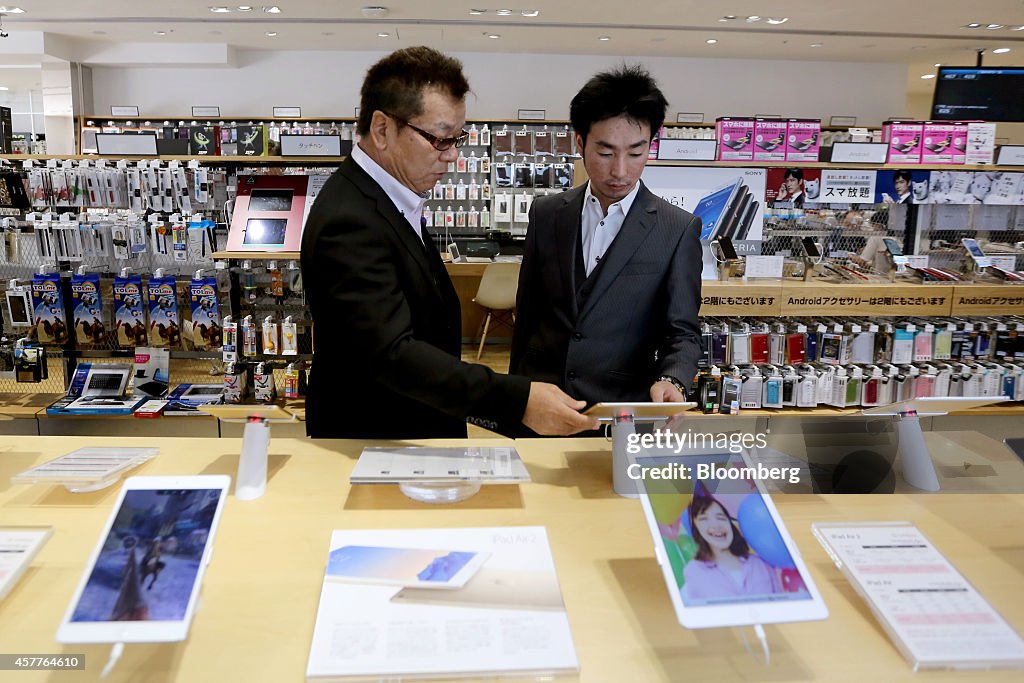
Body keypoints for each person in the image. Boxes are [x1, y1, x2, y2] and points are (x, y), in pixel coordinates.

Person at [300, 47, 597, 439]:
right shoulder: (350, 219)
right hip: (376, 443)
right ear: (382, 129)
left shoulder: (387, 200)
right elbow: (393, 354)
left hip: (409, 434)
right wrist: (517, 400)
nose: (453, 156)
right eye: (439, 139)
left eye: (458, 138)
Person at [509, 65, 703, 417]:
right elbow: (528, 315)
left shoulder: (677, 229)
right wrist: (518, 397)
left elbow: (683, 333)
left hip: (620, 409)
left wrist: (674, 379)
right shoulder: (546, 214)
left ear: (650, 146)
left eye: (635, 152)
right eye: (605, 152)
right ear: (580, 143)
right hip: (543, 405)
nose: (620, 171)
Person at [682, 494, 781, 601]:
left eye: (721, 518)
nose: (716, 525)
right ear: (696, 529)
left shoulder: (762, 563)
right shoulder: (693, 572)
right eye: (704, 519)